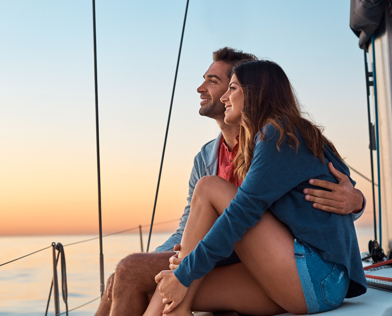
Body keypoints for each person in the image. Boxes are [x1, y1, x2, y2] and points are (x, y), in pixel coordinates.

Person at [94, 48, 365, 316]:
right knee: (165, 290)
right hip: (301, 280)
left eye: (230, 87)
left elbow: (241, 213)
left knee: (208, 188)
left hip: (315, 275)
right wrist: (181, 266)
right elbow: (191, 225)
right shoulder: (226, 150)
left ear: (254, 91)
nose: (224, 97)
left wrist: (357, 201)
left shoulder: (278, 135)